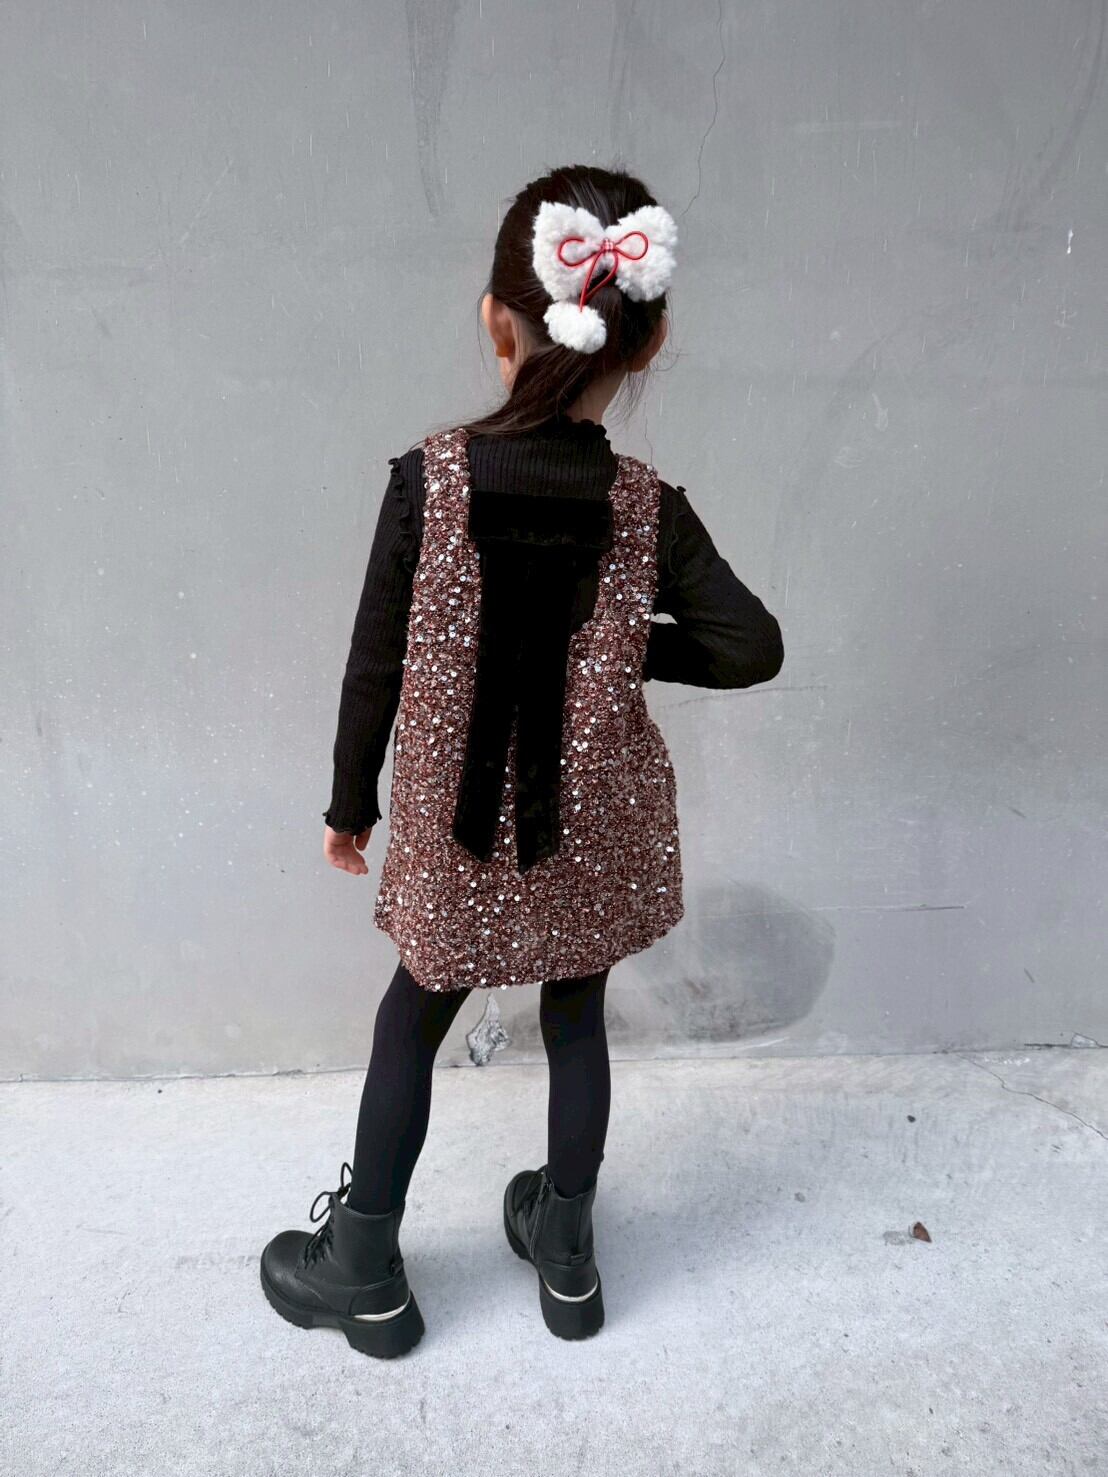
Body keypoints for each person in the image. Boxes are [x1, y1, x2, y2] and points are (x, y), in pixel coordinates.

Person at [259, 164, 785, 1358]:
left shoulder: (429, 481)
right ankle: (567, 1257)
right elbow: (749, 646)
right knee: (577, 1013)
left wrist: (348, 806)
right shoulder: (646, 505)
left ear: (497, 321)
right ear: (648, 345)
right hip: (589, 821)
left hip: (455, 827)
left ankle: (364, 1269)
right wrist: (618, 647)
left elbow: (374, 664)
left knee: (411, 1020)